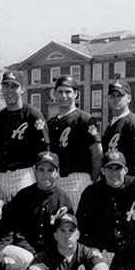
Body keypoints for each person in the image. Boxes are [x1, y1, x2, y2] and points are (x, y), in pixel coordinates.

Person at [77, 150, 135, 262]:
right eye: (110, 168)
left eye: (118, 168)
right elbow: (81, 227)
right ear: (102, 171)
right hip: (103, 254)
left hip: (133, 252)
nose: (114, 173)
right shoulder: (91, 193)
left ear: (125, 170)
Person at [2, 151, 73, 267]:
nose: (45, 175)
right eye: (41, 170)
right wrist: (33, 253)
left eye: (50, 170)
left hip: (51, 255)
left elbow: (66, 235)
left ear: (57, 172)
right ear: (35, 170)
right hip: (24, 252)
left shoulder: (63, 201)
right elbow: (15, 231)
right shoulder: (23, 196)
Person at [47, 74, 102, 212]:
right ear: (54, 94)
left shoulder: (84, 119)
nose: (64, 96)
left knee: (79, 223)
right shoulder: (51, 123)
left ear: (76, 94)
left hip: (77, 179)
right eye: (60, 91)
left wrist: (91, 179)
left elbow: (98, 154)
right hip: (56, 179)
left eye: (68, 91)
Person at [0, 70, 50, 196]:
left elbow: (44, 149)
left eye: (14, 86)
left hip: (24, 174)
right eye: (6, 86)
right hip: (0, 174)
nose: (10, 90)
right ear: (2, 89)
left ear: (22, 89)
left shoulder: (33, 114)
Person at [101, 79, 135, 183]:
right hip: (113, 182)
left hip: (129, 181)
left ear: (129, 98)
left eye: (120, 95)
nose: (116, 99)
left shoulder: (134, 123)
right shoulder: (111, 124)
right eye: (113, 95)